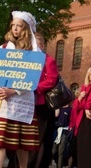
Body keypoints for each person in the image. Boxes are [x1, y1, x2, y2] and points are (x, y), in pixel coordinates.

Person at [0, 11, 41, 168]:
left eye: (19, 26)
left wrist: (14, 91)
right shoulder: (3, 48)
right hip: (3, 101)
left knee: (22, 142)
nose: (15, 29)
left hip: (22, 100)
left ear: (25, 28)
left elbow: (32, 77)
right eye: (13, 25)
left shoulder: (34, 52)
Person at [27, 33, 59, 168]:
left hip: (43, 104)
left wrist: (34, 88)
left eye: (37, 44)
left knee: (41, 139)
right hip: (27, 104)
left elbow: (52, 80)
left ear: (43, 45)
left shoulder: (48, 60)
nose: (34, 46)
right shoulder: (27, 60)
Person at [76, 67, 91, 168]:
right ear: (89, 77)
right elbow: (76, 107)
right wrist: (80, 97)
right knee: (83, 146)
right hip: (85, 121)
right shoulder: (84, 88)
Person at [52, 104, 72, 168]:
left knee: (61, 150)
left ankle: (59, 166)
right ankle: (56, 161)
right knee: (53, 150)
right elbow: (56, 115)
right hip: (58, 130)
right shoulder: (59, 108)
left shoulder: (70, 109)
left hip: (65, 130)